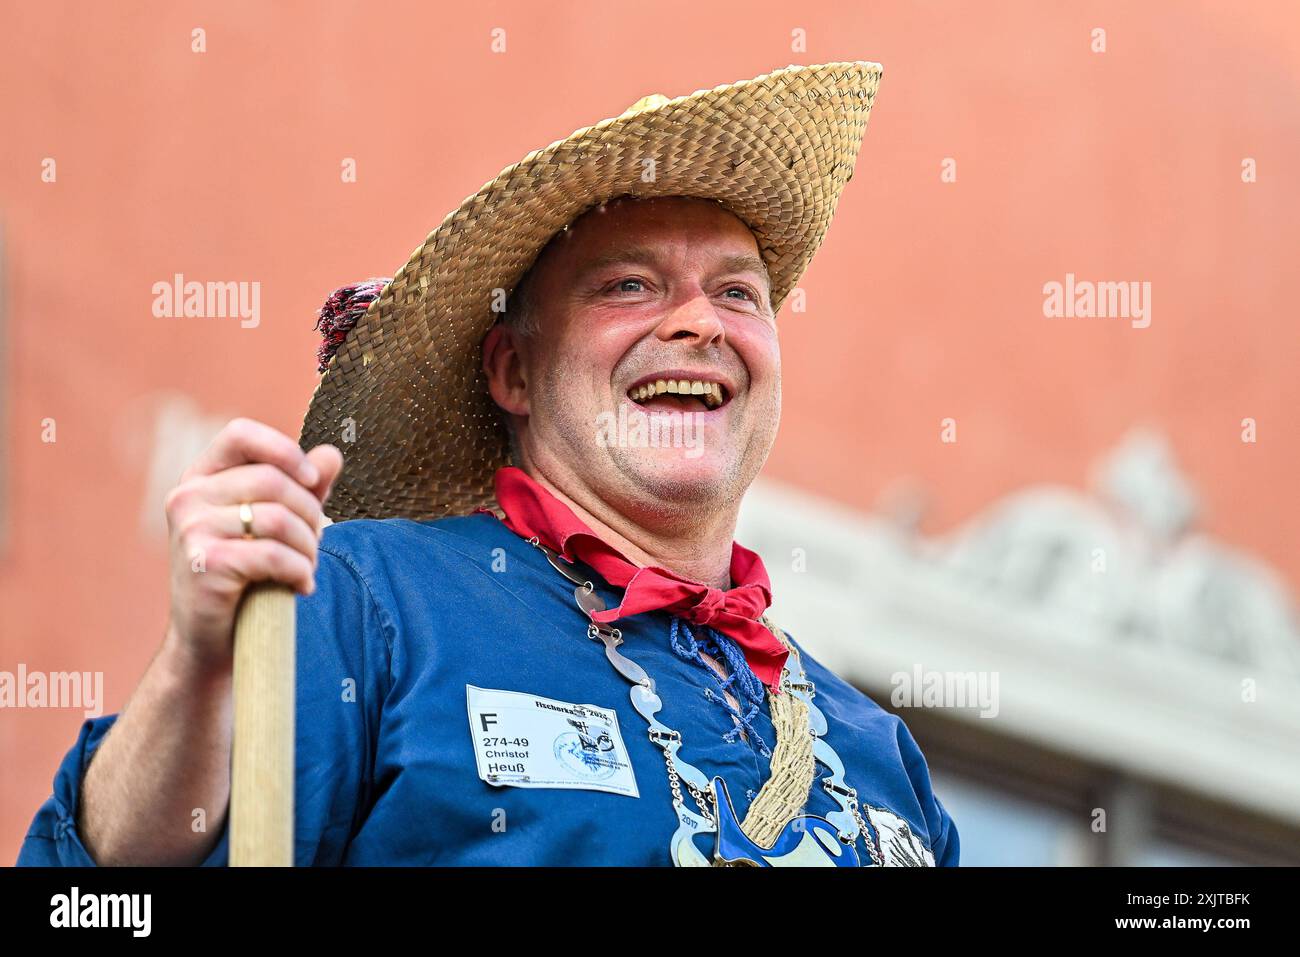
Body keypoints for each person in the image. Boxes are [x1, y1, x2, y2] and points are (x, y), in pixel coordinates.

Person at [19, 62, 958, 866]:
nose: (699, 322)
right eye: (630, 283)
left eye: (737, 292)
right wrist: (196, 666)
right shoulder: (362, 596)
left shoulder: (882, 753)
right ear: (513, 369)